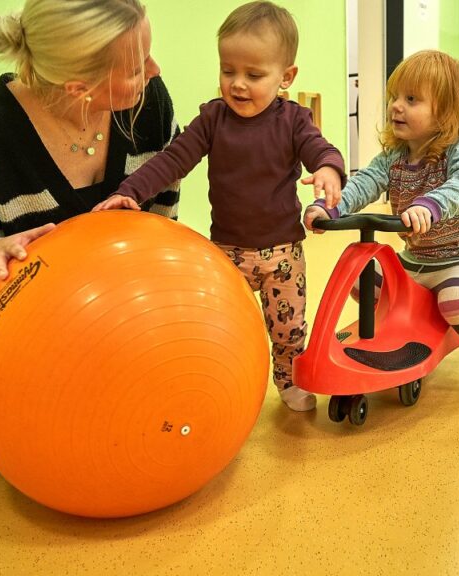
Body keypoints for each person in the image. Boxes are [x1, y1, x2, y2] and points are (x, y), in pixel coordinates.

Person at [0, 0, 181, 458]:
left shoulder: (150, 105)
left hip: (125, 324)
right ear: (79, 87)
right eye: (138, 65)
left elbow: (162, 219)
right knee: (20, 445)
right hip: (31, 340)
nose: (156, 70)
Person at [93, 1, 346, 412]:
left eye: (254, 74)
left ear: (286, 77)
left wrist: (329, 170)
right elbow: (172, 159)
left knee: (287, 331)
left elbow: (322, 149)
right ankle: (219, 386)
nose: (238, 84)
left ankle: (289, 381)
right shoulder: (214, 120)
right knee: (220, 328)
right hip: (225, 253)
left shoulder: (294, 121)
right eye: (228, 71)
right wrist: (131, 191)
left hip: (282, 253)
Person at [303, 50, 459, 414]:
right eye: (394, 97)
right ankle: (407, 330)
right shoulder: (394, 156)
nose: (396, 107)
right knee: (359, 280)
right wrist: (331, 207)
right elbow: (366, 183)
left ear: (447, 112)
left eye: (411, 99)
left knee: (456, 300)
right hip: (416, 259)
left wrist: (430, 205)